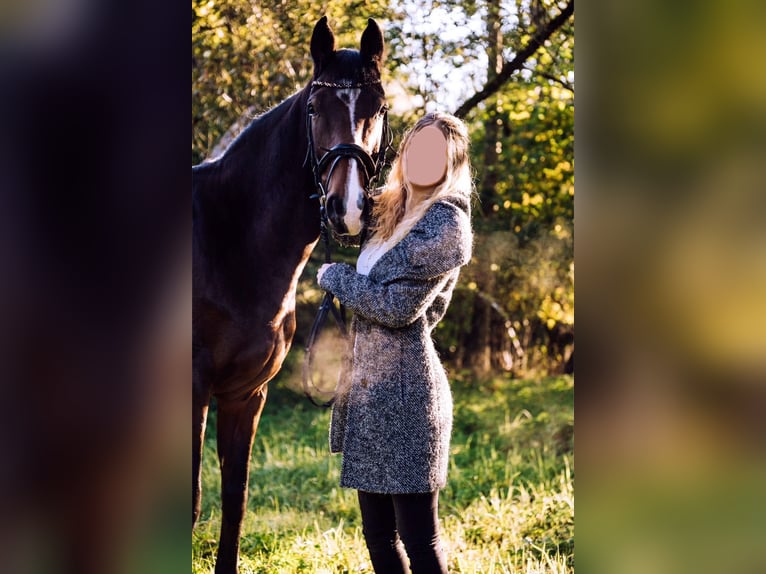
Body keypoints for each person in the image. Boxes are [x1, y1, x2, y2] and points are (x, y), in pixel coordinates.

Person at [316, 111, 474, 574]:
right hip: (367, 392)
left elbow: (395, 309)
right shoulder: (391, 210)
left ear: (452, 163)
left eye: (436, 153)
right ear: (403, 153)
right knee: (378, 537)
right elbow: (339, 215)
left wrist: (334, 277)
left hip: (408, 398)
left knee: (420, 540)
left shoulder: (445, 225)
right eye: (416, 148)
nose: (423, 159)